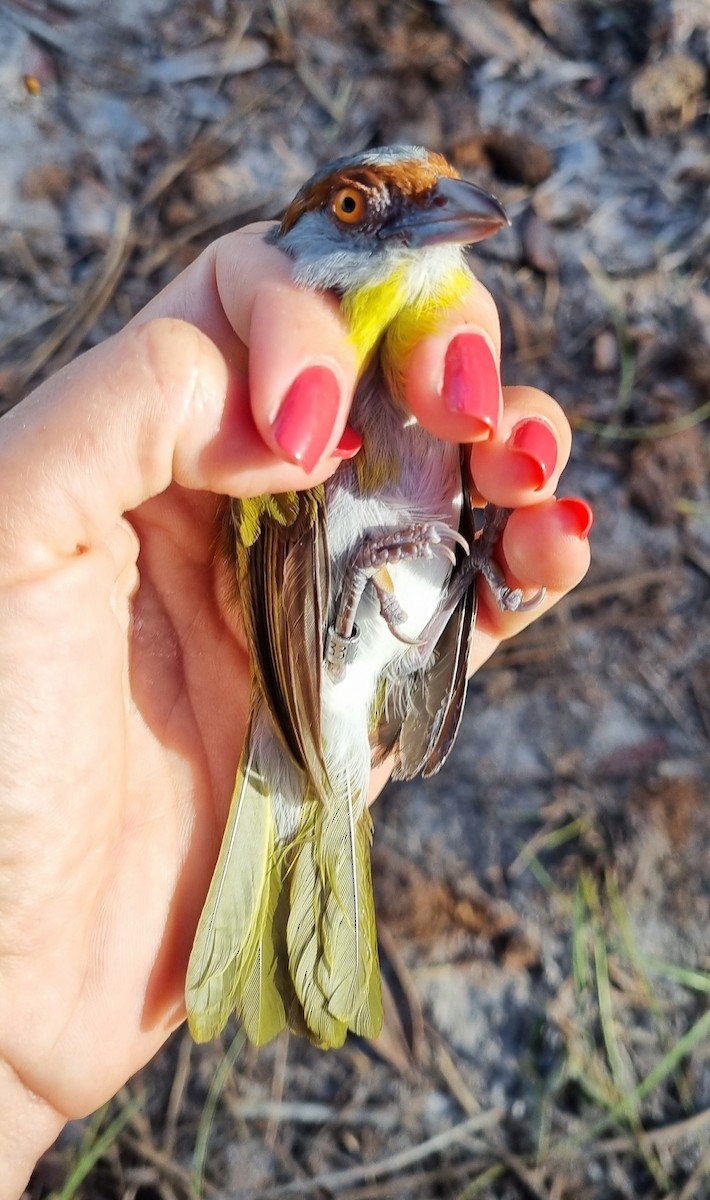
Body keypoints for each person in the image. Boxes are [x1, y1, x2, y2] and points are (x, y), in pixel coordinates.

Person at [0, 223, 591, 1196]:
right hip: (316, 652)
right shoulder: (296, 411)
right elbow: (293, 571)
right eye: (368, 205)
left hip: (365, 658)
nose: (437, 217)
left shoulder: (397, 383)